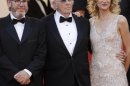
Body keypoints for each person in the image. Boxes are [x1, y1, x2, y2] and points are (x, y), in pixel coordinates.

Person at [41, 0, 91, 86]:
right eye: (63, 0)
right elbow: (39, 53)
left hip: (81, 80)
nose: (68, 3)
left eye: (70, 0)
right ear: (54, 3)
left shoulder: (84, 23)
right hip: (56, 80)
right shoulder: (43, 24)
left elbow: (93, 47)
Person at [0, 0, 46, 86]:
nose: (21, 4)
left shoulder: (38, 25)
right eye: (17, 1)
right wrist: (17, 75)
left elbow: (42, 54)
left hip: (33, 80)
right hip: (6, 81)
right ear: (9, 3)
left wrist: (28, 72)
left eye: (24, 1)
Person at [87, 0, 130, 86]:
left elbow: (129, 49)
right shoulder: (90, 22)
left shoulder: (120, 20)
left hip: (116, 76)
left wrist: (123, 73)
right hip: (95, 76)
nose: (104, 1)